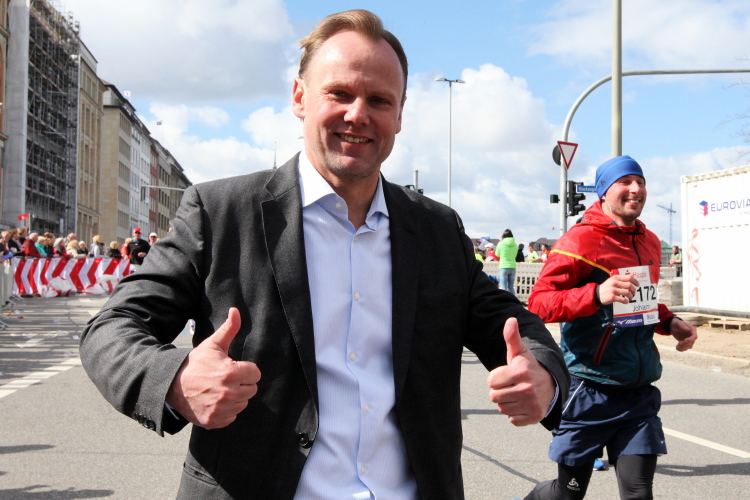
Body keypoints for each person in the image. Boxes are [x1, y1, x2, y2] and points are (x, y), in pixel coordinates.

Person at [79, 10, 568, 500]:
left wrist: (544, 374)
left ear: (399, 115)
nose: (358, 114)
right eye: (339, 93)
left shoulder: (437, 229)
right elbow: (113, 327)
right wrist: (175, 379)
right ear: (300, 97)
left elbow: (510, 324)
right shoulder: (220, 212)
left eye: (379, 100)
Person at [521, 155, 698, 500]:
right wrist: (595, 294)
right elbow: (539, 303)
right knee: (567, 494)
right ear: (604, 191)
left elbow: (641, 301)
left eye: (641, 182)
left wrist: (670, 322)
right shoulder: (580, 241)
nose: (636, 189)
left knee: (638, 493)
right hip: (589, 389)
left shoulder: (649, 241)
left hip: (638, 392)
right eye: (625, 182)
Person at [497, 229, 518, 295]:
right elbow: (515, 254)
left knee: (504, 287)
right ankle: (513, 300)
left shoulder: (501, 243)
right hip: (512, 266)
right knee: (511, 287)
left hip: (503, 266)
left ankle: (504, 300)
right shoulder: (515, 244)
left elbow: (497, 254)